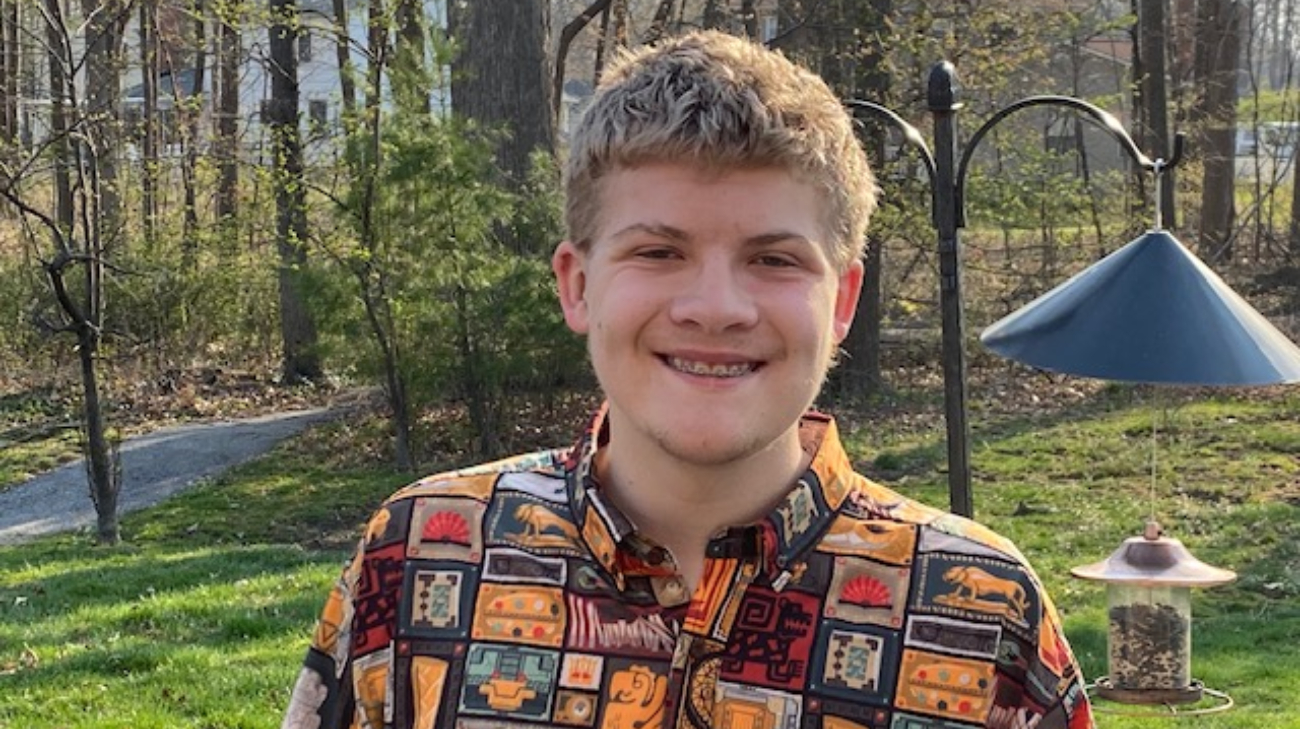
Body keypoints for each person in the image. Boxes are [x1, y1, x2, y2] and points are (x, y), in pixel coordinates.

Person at [282, 30, 1093, 729]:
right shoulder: (423, 558)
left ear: (842, 300)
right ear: (577, 284)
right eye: (659, 251)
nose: (716, 307)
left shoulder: (976, 612)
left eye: (774, 259)